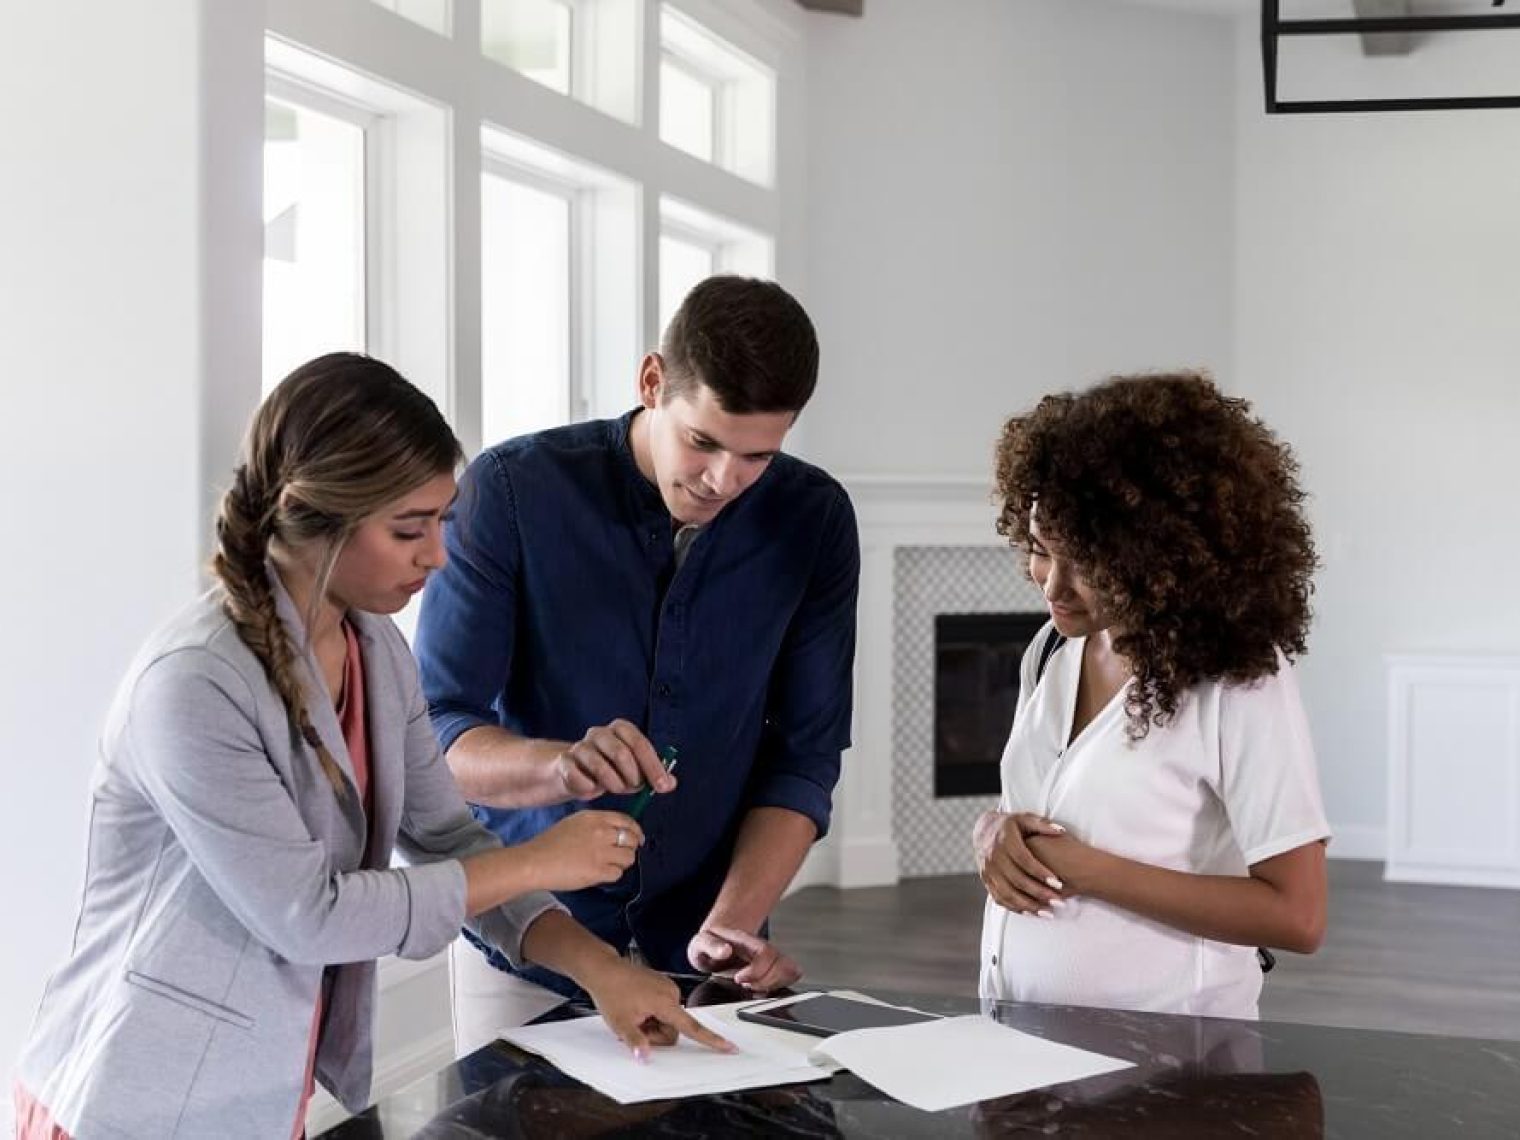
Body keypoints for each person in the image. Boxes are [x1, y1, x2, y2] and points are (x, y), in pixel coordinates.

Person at [14, 354, 730, 1140]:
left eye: (441, 523)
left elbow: (449, 836)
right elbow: (309, 917)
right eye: (408, 529)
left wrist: (602, 971)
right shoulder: (193, 684)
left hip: (256, 1091)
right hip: (132, 1097)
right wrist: (543, 858)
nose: (437, 555)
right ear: (320, 516)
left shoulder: (376, 650)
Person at [415, 276, 859, 1052]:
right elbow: (436, 737)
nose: (724, 480)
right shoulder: (510, 494)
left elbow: (804, 758)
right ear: (653, 383)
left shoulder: (813, 521)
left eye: (758, 455)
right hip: (532, 943)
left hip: (707, 956)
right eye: (703, 441)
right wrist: (558, 768)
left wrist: (733, 921)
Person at [973, 371, 1330, 1019]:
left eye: (1083, 562)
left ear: (1156, 556)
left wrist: (1085, 870)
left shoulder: (1240, 678)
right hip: (1020, 1044)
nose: (1052, 586)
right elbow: (1039, 811)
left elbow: (1297, 915)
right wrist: (993, 834)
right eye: (1039, 550)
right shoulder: (1051, 651)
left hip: (1174, 1062)